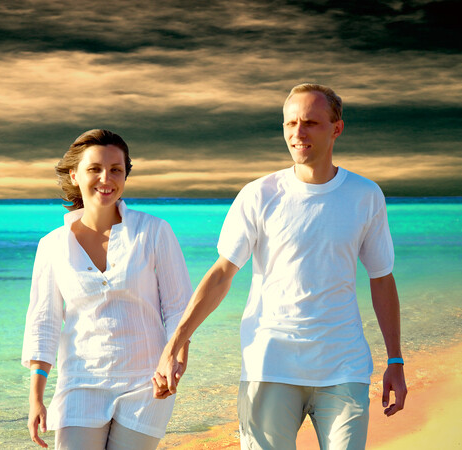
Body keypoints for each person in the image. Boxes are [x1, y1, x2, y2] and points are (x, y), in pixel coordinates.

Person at [153, 84, 408, 449]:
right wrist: (175, 342)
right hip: (269, 365)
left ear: (336, 128)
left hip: (343, 366)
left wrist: (395, 360)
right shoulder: (259, 195)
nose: (297, 134)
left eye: (310, 123)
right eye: (290, 123)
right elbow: (223, 273)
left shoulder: (365, 196)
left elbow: (382, 279)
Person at [22, 129, 192, 449]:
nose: (106, 178)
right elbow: (43, 323)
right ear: (74, 175)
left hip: (146, 385)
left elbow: (178, 306)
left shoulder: (153, 231)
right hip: (79, 385)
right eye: (94, 169)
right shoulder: (52, 246)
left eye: (116, 169)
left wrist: (176, 362)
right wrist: (36, 399)